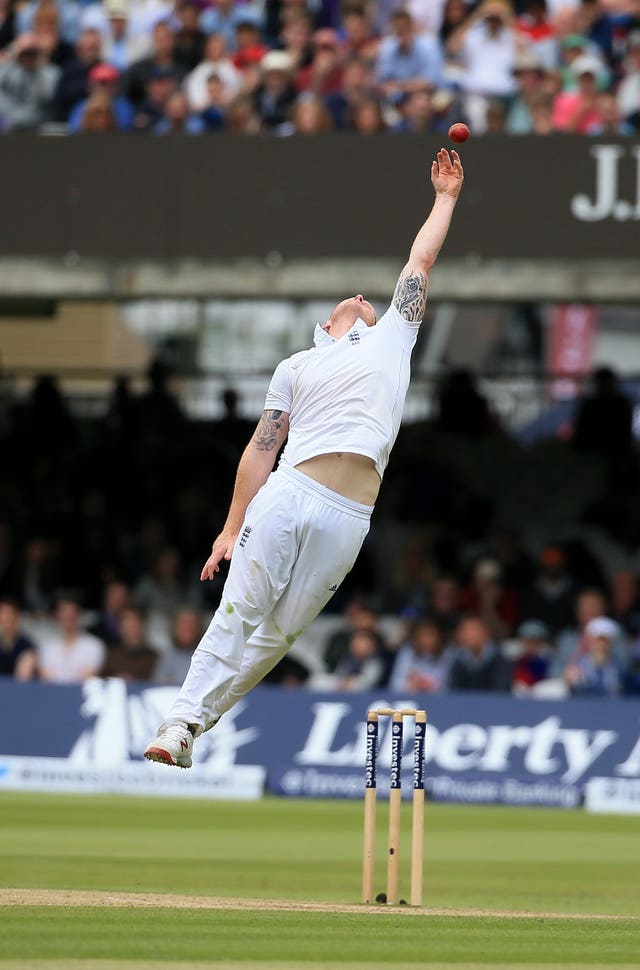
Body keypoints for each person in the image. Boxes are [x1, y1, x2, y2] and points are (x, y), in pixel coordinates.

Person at [145, 146, 465, 767]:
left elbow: (420, 258)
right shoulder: (298, 365)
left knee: (278, 635)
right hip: (290, 492)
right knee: (239, 611)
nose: (358, 298)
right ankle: (179, 723)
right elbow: (261, 450)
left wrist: (445, 198)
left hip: (350, 515)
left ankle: (198, 725)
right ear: (325, 326)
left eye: (366, 301)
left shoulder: (396, 336)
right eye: (346, 303)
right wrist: (232, 526)